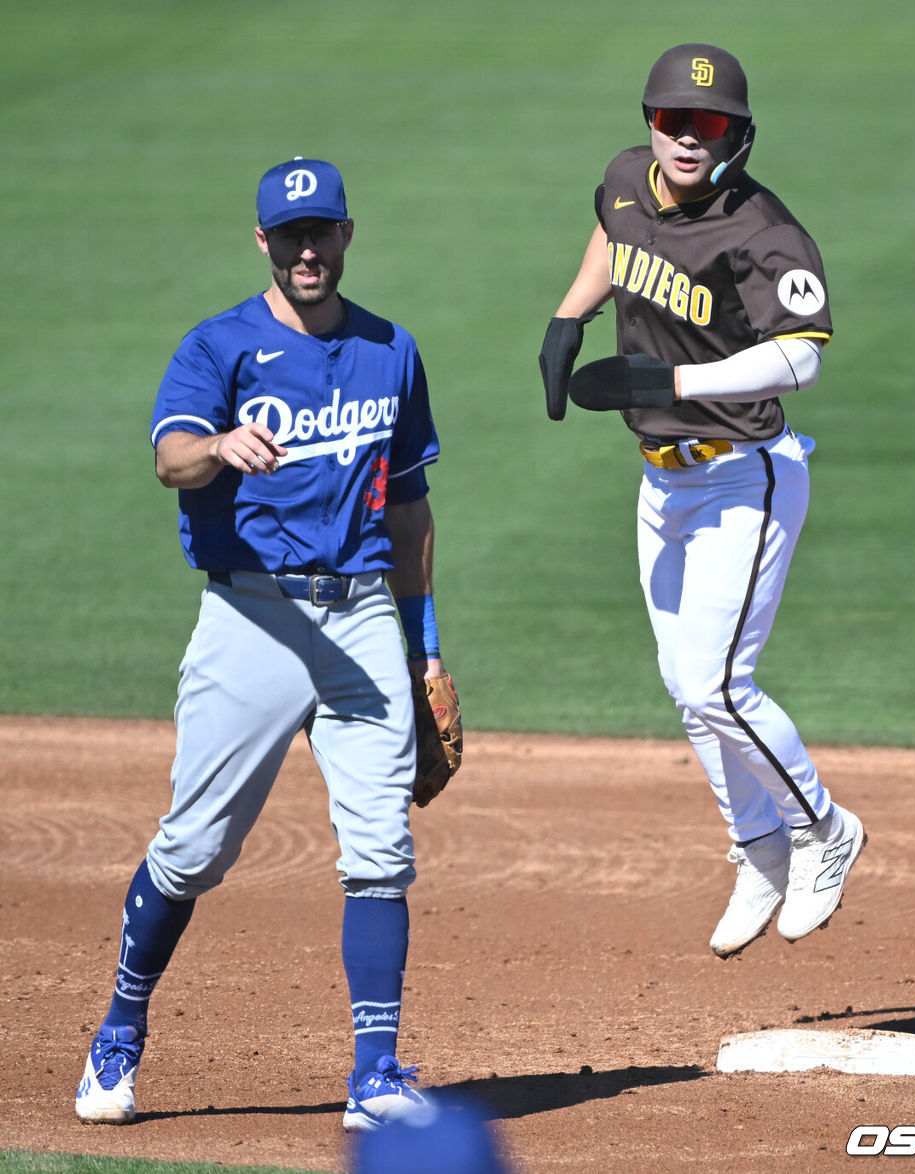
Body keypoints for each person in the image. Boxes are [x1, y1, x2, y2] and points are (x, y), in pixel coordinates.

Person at [75, 156, 460, 1130]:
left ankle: (374, 1075)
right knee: (194, 848)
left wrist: (424, 648)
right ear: (263, 242)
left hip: (364, 614)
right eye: (289, 236)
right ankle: (119, 1029)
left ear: (345, 235)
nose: (306, 250)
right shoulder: (218, 348)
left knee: (379, 850)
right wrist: (218, 448)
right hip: (251, 615)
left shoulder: (389, 351)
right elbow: (169, 458)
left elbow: (411, 512)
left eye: (321, 232)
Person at [539, 44, 865, 959]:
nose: (686, 136)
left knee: (721, 681)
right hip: (661, 482)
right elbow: (613, 230)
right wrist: (571, 314)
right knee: (688, 688)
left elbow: (803, 354)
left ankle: (824, 831)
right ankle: (759, 846)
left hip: (745, 473)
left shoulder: (765, 231)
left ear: (739, 134)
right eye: (672, 119)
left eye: (708, 124)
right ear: (647, 121)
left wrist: (675, 376)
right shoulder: (624, 181)